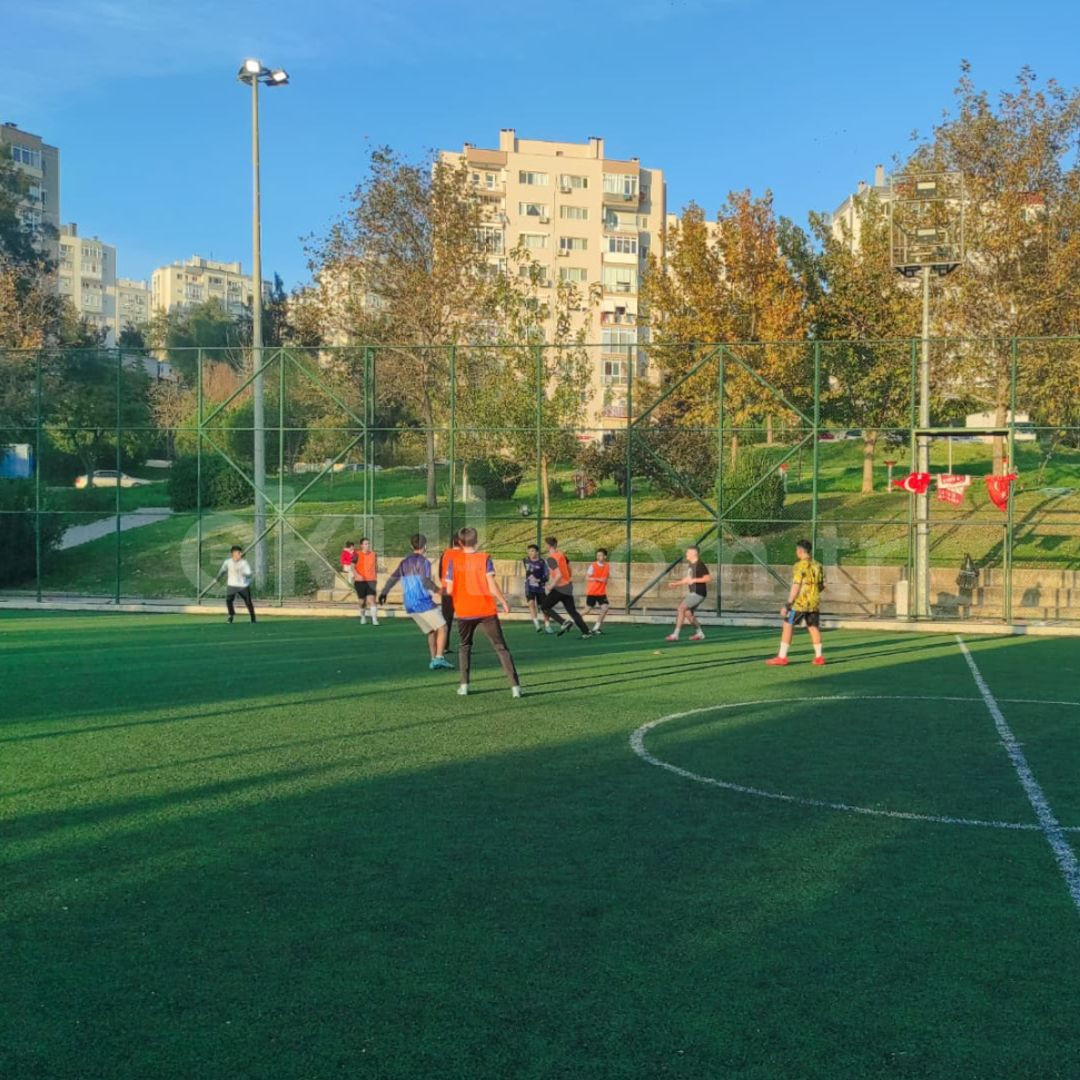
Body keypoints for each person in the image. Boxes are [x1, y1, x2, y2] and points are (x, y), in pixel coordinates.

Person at [445, 526, 521, 698]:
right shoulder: (484, 558)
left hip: (464, 611)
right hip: (486, 609)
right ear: (476, 541)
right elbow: (492, 585)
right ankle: (515, 687)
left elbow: (449, 590)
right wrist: (503, 602)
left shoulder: (454, 561)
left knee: (464, 647)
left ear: (459, 542)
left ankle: (464, 686)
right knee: (501, 648)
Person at [378, 534, 453, 671]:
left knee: (431, 630)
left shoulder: (404, 562)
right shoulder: (424, 562)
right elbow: (425, 581)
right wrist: (439, 591)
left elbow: (393, 578)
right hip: (422, 602)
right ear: (425, 546)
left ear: (411, 546)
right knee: (443, 627)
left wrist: (384, 592)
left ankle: (433, 660)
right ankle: (439, 658)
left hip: (410, 605)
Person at [766, 539, 826, 666]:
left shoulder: (799, 566)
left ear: (800, 551)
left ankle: (782, 657)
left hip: (800, 603)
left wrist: (788, 604)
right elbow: (821, 585)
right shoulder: (818, 565)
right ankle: (819, 657)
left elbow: (796, 586)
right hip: (814, 602)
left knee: (788, 625)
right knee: (813, 627)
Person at [540, 536, 592, 639]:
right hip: (568, 586)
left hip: (560, 588)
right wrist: (568, 578)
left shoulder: (550, 559)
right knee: (572, 611)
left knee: (544, 607)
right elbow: (568, 567)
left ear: (548, 546)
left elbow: (558, 575)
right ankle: (586, 632)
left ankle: (563, 622)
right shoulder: (561, 554)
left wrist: (551, 586)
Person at [665, 546, 710, 642]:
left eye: (688, 552)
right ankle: (700, 634)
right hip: (693, 593)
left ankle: (675, 635)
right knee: (688, 613)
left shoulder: (700, 565)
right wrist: (676, 584)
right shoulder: (691, 565)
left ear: (694, 553)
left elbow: (707, 578)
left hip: (698, 593)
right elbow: (687, 579)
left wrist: (694, 580)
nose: (686, 554)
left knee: (681, 608)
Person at [439, 533, 464, 650]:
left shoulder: (445, 553)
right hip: (460, 590)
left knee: (446, 618)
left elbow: (440, 571)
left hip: (445, 589)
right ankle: (465, 644)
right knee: (465, 618)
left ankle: (444, 646)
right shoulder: (464, 554)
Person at [219, 545, 256, 624]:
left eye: (241, 552)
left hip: (243, 585)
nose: (240, 554)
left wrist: (245, 574)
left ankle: (253, 617)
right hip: (232, 585)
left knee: (248, 602)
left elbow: (249, 573)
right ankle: (231, 616)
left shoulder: (244, 562)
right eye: (239, 552)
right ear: (233, 553)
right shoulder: (227, 562)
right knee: (229, 600)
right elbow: (222, 571)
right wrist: (217, 578)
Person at [523, 543, 550, 632]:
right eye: (529, 551)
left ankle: (547, 625)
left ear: (537, 552)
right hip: (529, 587)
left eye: (533, 551)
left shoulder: (542, 562)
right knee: (531, 604)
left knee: (544, 607)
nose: (530, 553)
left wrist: (539, 580)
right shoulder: (525, 560)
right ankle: (537, 625)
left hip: (540, 587)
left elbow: (547, 576)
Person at [585, 548, 612, 634]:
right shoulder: (592, 566)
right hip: (592, 592)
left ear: (605, 556)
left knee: (605, 608)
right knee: (587, 610)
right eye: (597, 555)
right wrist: (598, 579)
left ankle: (596, 627)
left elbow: (606, 577)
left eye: (600, 555)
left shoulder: (607, 566)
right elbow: (587, 578)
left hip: (601, 592)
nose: (598, 557)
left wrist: (605, 580)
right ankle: (571, 620)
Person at [353, 537, 379, 625]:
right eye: (365, 544)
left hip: (371, 580)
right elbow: (352, 566)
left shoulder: (373, 554)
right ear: (361, 545)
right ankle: (363, 617)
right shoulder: (356, 554)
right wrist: (357, 575)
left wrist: (375, 576)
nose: (367, 545)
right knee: (362, 601)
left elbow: (376, 566)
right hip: (360, 581)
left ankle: (374, 619)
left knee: (372, 600)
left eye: (368, 544)